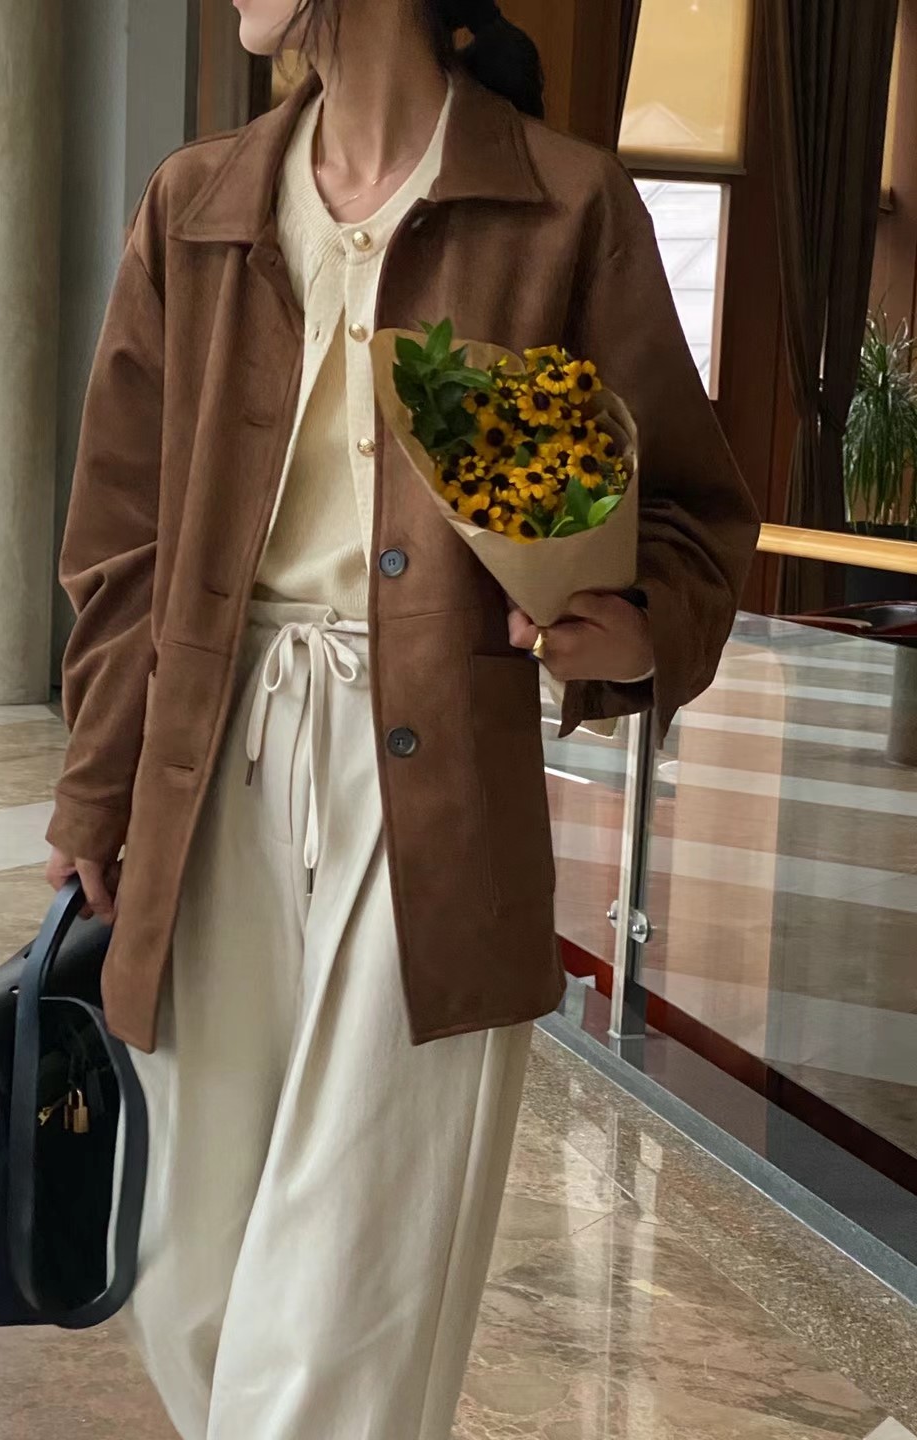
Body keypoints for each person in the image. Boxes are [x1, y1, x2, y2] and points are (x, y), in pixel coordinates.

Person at [44, 0, 759, 1435]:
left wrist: (633, 625)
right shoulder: (196, 207)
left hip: (435, 799)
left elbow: (693, 514)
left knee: (344, 1306)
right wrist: (96, 786)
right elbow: (122, 549)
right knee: (186, 1281)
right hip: (211, 768)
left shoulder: (566, 206)